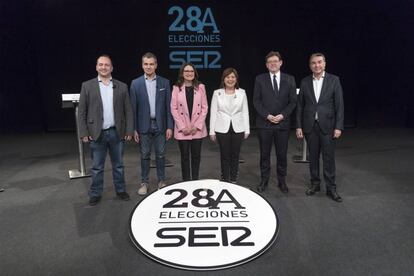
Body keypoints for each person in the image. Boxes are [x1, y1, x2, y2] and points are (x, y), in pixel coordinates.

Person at [78, 55, 134, 206]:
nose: (104, 67)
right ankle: (95, 193)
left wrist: (129, 130)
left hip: (117, 132)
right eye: (101, 65)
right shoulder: (87, 86)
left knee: (119, 165)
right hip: (97, 133)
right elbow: (82, 112)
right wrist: (83, 133)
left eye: (107, 65)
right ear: (96, 67)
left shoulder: (121, 86)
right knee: (97, 167)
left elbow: (128, 110)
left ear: (111, 68)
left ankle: (121, 190)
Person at [296, 53, 344, 202]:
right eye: (313, 63)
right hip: (310, 127)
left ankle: (331, 188)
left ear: (324, 63)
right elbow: (300, 106)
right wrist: (299, 126)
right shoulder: (304, 82)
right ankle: (315, 184)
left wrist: (338, 127)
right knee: (314, 158)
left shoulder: (334, 80)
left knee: (329, 159)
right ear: (310, 65)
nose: (317, 65)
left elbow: (339, 105)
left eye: (319, 62)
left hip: (328, 126)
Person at [130, 52, 173, 195]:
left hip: (160, 125)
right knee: (144, 155)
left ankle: (161, 181)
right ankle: (145, 182)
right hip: (143, 125)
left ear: (156, 65)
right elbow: (133, 109)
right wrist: (134, 129)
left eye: (151, 64)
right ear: (142, 65)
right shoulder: (135, 84)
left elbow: (168, 106)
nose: (148, 66)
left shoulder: (164, 82)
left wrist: (169, 126)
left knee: (161, 155)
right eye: (146, 64)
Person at [253, 51, 297, 193]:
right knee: (264, 154)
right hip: (264, 124)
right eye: (269, 62)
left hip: (282, 124)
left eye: (275, 61)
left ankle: (281, 181)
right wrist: (267, 115)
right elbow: (256, 101)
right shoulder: (260, 79)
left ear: (280, 62)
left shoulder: (290, 79)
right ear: (266, 65)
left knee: (282, 154)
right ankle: (264, 180)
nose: (272, 64)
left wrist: (283, 115)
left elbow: (293, 101)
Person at [209, 68, 250, 183]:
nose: (230, 79)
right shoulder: (217, 93)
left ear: (236, 79)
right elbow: (213, 112)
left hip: (238, 128)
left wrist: (247, 129)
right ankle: (224, 178)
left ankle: (233, 179)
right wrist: (211, 131)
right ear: (224, 79)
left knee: (235, 155)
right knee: (225, 155)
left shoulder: (242, 93)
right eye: (228, 77)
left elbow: (245, 112)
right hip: (222, 128)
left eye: (233, 77)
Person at [171, 63, 208, 181]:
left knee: (196, 157)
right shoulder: (176, 88)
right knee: (185, 157)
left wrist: (196, 126)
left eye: (191, 71)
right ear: (182, 73)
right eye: (186, 71)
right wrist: (182, 127)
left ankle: (195, 180)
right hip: (183, 130)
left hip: (197, 129)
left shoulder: (201, 87)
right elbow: (174, 108)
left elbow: (204, 108)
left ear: (194, 73)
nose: (189, 73)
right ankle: (186, 182)